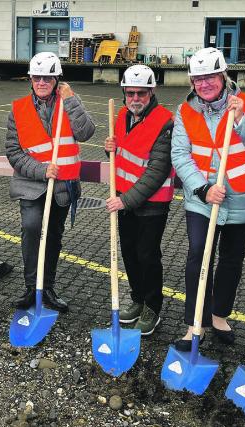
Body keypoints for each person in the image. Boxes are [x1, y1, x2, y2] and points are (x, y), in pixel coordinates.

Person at [171, 47, 245, 351]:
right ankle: (194, 324)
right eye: (198, 79)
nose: (204, 84)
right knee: (198, 255)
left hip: (243, 198)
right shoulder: (185, 111)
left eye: (210, 77)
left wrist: (242, 121)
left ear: (223, 76)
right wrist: (202, 189)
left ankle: (218, 316)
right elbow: (180, 154)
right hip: (203, 199)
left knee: (231, 260)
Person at [6, 52, 95, 313]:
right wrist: (40, 169)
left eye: (48, 77)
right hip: (32, 183)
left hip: (62, 186)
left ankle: (48, 288)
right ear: (30, 78)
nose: (42, 82)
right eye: (37, 77)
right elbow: (13, 151)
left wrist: (71, 101)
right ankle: (31, 287)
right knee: (32, 228)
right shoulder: (18, 108)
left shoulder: (68, 101)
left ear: (57, 79)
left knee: (53, 236)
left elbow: (86, 132)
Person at [103, 65, 174, 336]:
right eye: (130, 93)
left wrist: (125, 201)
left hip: (151, 203)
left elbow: (156, 171)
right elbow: (122, 156)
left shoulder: (165, 122)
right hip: (124, 199)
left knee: (148, 255)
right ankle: (137, 299)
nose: (135, 99)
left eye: (141, 94)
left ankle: (152, 307)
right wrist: (109, 148)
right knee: (130, 254)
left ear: (151, 92)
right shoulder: (120, 115)